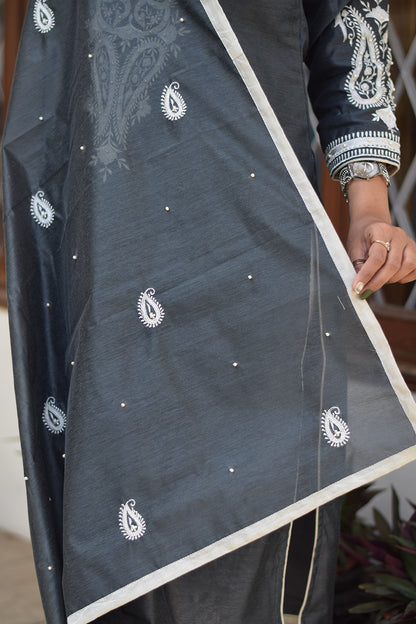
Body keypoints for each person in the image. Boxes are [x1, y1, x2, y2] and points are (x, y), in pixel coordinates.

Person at [3, 1, 416, 623]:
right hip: (110, 256)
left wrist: (369, 204)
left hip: (252, 249)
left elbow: (351, 24)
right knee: (124, 503)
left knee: (262, 494)